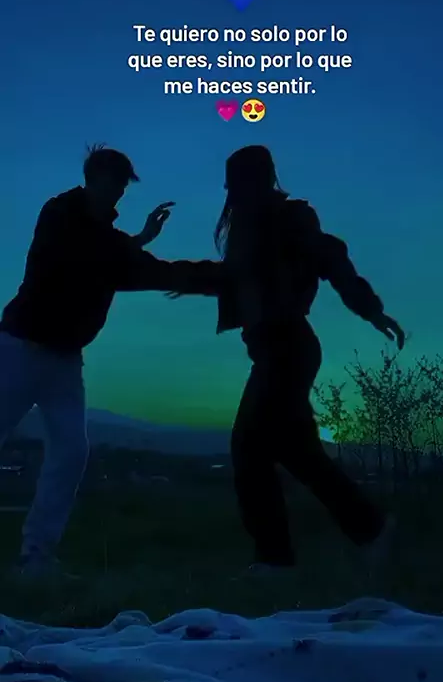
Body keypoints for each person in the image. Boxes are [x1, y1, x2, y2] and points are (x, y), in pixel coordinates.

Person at [171, 144, 405, 575]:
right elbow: (232, 278)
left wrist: (371, 310)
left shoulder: (289, 218)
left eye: (234, 183)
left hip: (288, 348)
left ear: (255, 180)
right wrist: (179, 277)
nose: (229, 193)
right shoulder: (250, 230)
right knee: (298, 453)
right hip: (275, 349)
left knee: (249, 447)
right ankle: (369, 530)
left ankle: (276, 559)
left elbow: (331, 258)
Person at [0, 143, 221, 580]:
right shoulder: (59, 215)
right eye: (114, 184)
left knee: (71, 451)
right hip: (20, 349)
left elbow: (140, 268)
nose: (118, 194)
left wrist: (220, 279)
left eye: (122, 187)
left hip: (64, 361)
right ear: (93, 180)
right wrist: (136, 245)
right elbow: (96, 258)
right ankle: (36, 556)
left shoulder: (107, 241)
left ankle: (37, 557)